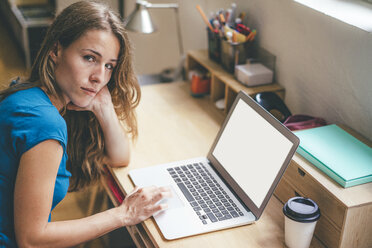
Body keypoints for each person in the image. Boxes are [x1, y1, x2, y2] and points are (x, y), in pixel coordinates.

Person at [0, 1, 171, 247]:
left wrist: (104, 108)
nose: (99, 77)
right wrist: (124, 214)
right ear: (56, 50)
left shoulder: (27, 95)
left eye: (109, 66)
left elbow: (120, 157)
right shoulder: (45, 124)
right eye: (90, 58)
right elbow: (32, 239)